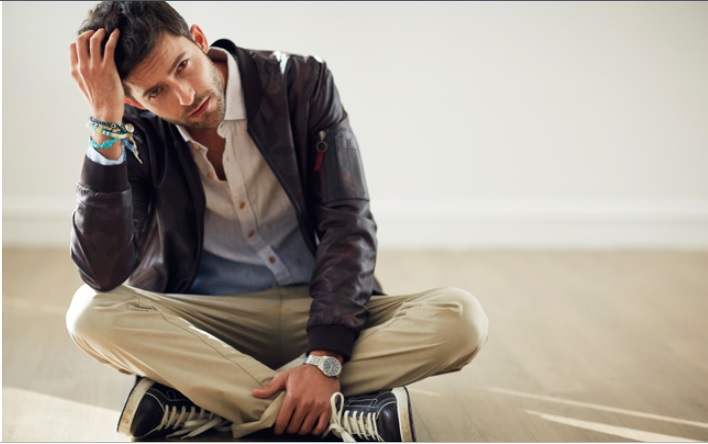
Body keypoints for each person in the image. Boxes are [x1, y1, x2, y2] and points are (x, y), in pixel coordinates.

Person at [65, 2, 489, 441]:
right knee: (88, 313)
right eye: (156, 92)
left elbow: (348, 221)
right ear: (132, 99)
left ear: (199, 39)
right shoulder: (131, 129)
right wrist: (105, 123)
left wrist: (325, 358)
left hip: (321, 307)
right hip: (211, 323)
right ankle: (330, 412)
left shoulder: (300, 82)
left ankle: (209, 398)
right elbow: (103, 272)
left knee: (461, 318)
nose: (185, 96)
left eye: (182, 66)